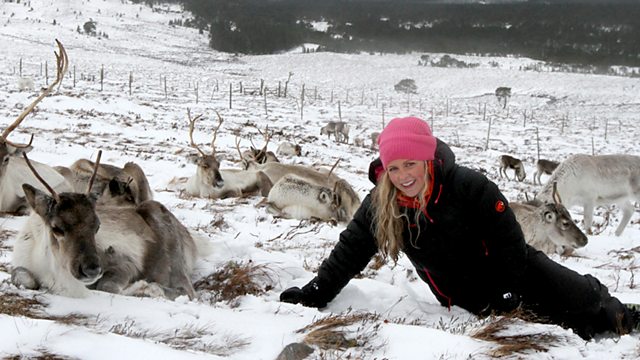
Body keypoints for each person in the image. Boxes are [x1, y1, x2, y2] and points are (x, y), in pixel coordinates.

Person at [280, 116, 638, 340]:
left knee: (583, 302)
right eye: (394, 168)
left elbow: (508, 242)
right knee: (550, 328)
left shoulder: (468, 185)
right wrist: (316, 292)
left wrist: (509, 292)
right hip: (461, 296)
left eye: (411, 164)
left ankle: (624, 315)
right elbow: (351, 250)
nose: (403, 176)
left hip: (515, 272)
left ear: (427, 160)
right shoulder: (383, 203)